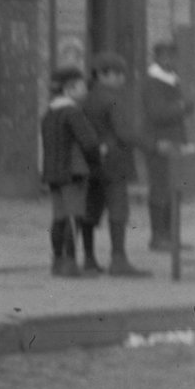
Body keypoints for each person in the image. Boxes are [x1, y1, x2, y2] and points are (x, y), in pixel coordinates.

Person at [78, 52, 149, 277]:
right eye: (116, 73)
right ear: (102, 75)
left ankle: (89, 259)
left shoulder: (86, 99)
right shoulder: (114, 98)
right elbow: (123, 132)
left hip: (91, 162)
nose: (120, 78)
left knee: (90, 210)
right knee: (118, 210)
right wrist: (150, 144)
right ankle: (118, 259)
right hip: (115, 163)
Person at [40, 64, 104, 278]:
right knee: (73, 215)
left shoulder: (49, 113)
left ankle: (57, 261)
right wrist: (97, 158)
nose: (85, 90)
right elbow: (90, 142)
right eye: (81, 86)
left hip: (53, 173)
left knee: (58, 216)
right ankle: (70, 262)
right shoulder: (73, 113)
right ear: (69, 89)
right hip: (74, 172)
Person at [141, 39, 191, 251]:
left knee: (172, 188)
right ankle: (158, 236)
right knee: (160, 189)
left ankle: (170, 235)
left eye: (173, 56)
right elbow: (157, 113)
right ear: (157, 58)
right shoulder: (153, 82)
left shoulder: (171, 80)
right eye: (166, 56)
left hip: (173, 144)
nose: (171, 60)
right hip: (159, 144)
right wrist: (182, 106)